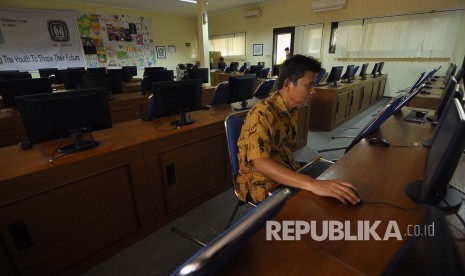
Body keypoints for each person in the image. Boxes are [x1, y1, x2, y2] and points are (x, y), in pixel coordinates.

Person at [236, 54, 360, 205]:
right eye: (309, 85)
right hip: (260, 184)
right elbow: (260, 163)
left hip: (287, 169)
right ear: (288, 84)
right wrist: (312, 184)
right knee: (315, 205)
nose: (313, 91)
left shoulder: (291, 110)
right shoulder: (261, 114)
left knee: (332, 182)